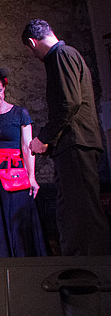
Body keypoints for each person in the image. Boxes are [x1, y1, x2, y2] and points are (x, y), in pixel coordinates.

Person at [23, 19, 111, 256]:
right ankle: (79, 262)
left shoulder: (61, 55)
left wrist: (44, 138)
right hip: (73, 144)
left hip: (76, 143)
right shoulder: (66, 55)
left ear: (32, 42)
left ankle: (94, 265)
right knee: (72, 210)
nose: (33, 56)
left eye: (29, 50)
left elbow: (68, 103)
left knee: (83, 211)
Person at [0, 78, 45, 272]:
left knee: (17, 221)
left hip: (14, 172)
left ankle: (24, 270)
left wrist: (32, 177)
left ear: (4, 89)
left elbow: (27, 148)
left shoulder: (20, 113)